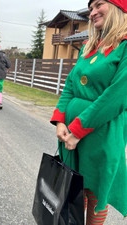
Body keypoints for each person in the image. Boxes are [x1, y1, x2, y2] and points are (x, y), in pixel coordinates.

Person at [50, 0, 127, 224]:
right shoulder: (88, 46)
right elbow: (71, 85)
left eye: (98, 5)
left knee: (95, 193)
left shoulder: (124, 45)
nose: (92, 13)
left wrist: (76, 129)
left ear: (119, 7)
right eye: (90, 8)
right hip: (72, 132)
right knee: (75, 188)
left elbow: (116, 97)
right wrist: (61, 121)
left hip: (103, 131)